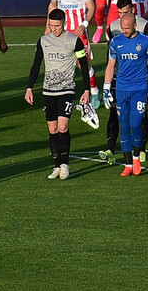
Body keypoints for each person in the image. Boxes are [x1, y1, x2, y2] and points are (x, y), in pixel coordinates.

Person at [26, 9, 92, 180]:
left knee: (63, 127)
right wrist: (29, 88)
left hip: (67, 90)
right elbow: (36, 65)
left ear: (64, 23)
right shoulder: (43, 41)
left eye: (57, 25)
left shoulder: (74, 41)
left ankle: (65, 164)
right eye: (51, 25)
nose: (54, 29)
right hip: (48, 91)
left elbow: (83, 65)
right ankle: (56, 165)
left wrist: (87, 89)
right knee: (52, 129)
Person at [101, 0, 148, 162]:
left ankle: (141, 149)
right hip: (120, 76)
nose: (122, 16)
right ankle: (111, 149)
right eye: (119, 13)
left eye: (125, 12)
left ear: (132, 11)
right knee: (115, 112)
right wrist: (106, 85)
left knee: (141, 114)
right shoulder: (113, 27)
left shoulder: (144, 26)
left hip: (141, 77)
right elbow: (111, 53)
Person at [47, 0, 97, 106]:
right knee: (58, 63)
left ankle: (93, 92)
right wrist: (48, 27)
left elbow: (91, 6)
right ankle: (58, 98)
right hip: (61, 32)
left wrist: (84, 24)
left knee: (83, 65)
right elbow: (53, 5)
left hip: (78, 32)